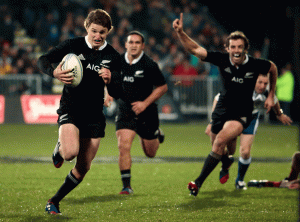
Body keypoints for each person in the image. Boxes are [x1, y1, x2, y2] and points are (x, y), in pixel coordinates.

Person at [173, 13, 278, 196]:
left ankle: (197, 183)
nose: (236, 50)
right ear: (227, 48)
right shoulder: (221, 59)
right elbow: (195, 49)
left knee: (220, 140)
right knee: (219, 147)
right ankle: (227, 162)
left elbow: (273, 68)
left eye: (240, 47)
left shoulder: (255, 64)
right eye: (233, 47)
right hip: (222, 107)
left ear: (245, 49)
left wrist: (271, 94)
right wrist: (181, 33)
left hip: (242, 111)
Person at [37, 9, 121, 214]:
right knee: (69, 153)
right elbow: (43, 60)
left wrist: (111, 80)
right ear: (87, 27)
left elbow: (119, 90)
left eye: (102, 32)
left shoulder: (113, 56)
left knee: (83, 168)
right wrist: (54, 71)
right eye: (94, 31)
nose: (98, 36)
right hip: (71, 108)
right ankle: (60, 147)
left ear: (108, 32)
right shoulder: (73, 45)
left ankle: (54, 201)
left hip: (94, 115)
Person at [106, 31, 168, 194]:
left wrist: (144, 103)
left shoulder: (149, 64)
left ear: (143, 46)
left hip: (147, 111)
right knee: (123, 145)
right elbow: (108, 79)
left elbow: (163, 87)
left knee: (150, 153)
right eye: (131, 42)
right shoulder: (117, 61)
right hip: (125, 109)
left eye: (137, 43)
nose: (133, 45)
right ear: (125, 44)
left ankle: (156, 133)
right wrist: (108, 94)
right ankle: (126, 186)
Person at [205, 73, 293, 190]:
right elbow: (217, 99)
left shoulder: (266, 92)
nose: (263, 86)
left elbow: (275, 101)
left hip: (250, 120)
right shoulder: (240, 86)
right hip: (233, 117)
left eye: (265, 83)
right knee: (226, 149)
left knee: (245, 152)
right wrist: (212, 121)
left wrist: (280, 114)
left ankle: (239, 180)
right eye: (260, 82)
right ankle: (226, 165)